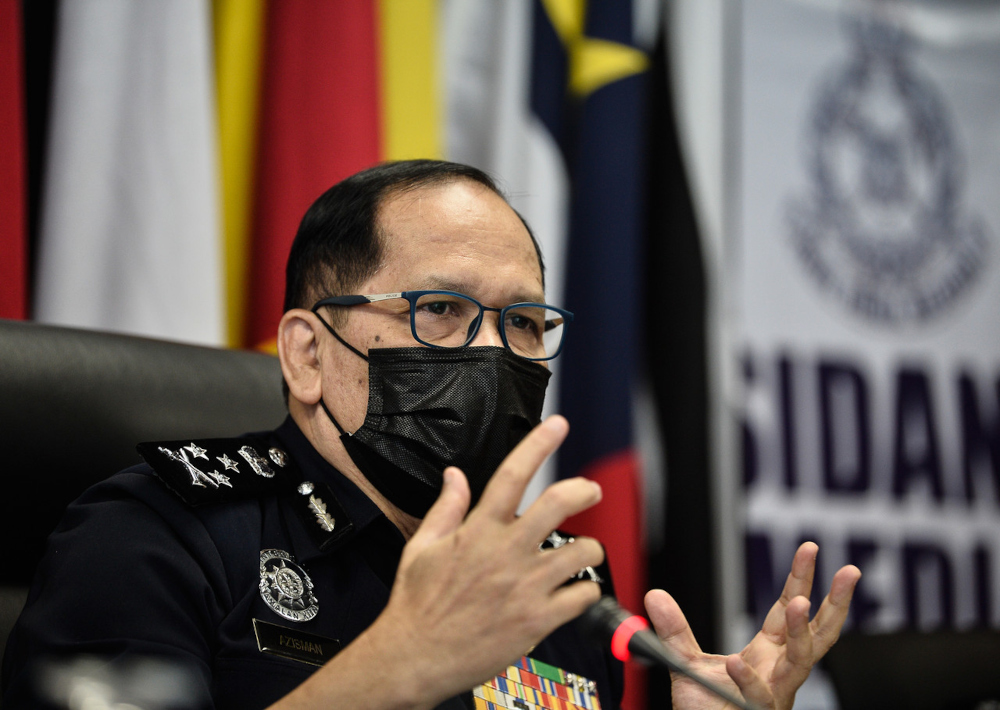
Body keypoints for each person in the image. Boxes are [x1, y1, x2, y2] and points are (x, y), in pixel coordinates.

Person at [3, 160, 860, 710]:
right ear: (307, 354)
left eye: (523, 322)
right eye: (441, 311)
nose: (492, 350)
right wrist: (401, 665)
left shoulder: (552, 588)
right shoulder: (156, 535)